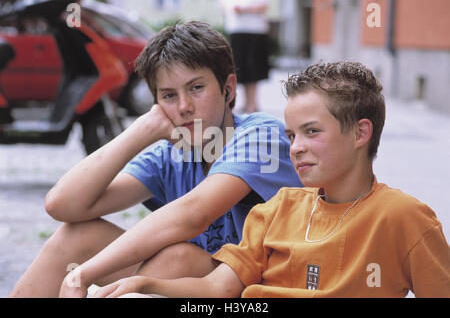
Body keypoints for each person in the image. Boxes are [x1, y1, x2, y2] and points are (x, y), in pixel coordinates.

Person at [93, 61, 450, 298]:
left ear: (361, 134)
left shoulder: (404, 217)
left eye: (312, 132)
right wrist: (145, 285)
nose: (295, 147)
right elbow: (218, 289)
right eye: (292, 135)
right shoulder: (279, 208)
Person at [9, 21, 301, 298]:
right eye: (169, 95)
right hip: (193, 284)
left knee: (178, 255)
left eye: (196, 88)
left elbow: (194, 215)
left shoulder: (261, 135)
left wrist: (83, 275)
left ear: (228, 88)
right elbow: (63, 205)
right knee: (76, 236)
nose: (184, 106)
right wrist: (141, 130)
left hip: (259, 287)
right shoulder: (171, 153)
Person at [220, 0, 270, 113]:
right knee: (240, 68)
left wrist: (245, 10)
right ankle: (245, 102)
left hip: (255, 31)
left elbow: (264, 6)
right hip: (236, 30)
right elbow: (223, 6)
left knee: (253, 67)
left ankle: (253, 102)